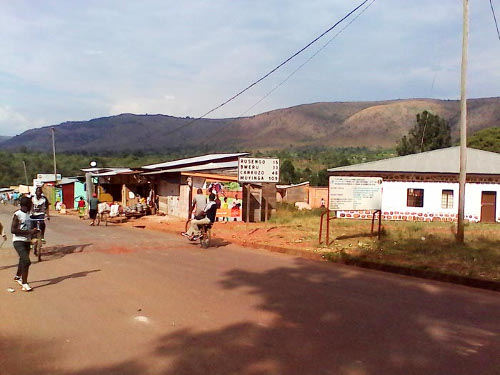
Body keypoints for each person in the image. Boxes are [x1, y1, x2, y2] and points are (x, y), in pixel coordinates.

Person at [11, 196, 38, 292]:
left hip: (27, 241)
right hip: (18, 241)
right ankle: (25, 283)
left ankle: (18, 276)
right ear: (27, 205)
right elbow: (13, 230)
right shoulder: (17, 214)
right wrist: (29, 232)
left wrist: (34, 233)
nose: (31, 206)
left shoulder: (29, 215)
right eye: (30, 204)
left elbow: (30, 228)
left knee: (22, 260)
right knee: (26, 261)